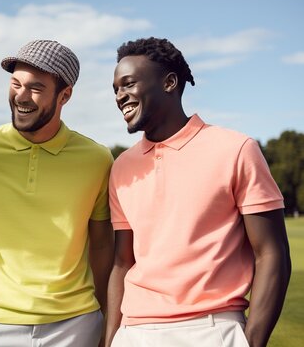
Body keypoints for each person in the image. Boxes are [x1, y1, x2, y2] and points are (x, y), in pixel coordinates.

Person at [106, 37, 292, 347]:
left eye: (128, 84)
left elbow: (272, 253)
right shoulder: (121, 167)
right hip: (134, 332)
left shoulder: (236, 149)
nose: (120, 96)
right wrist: (111, 339)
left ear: (169, 82)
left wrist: (252, 342)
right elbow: (122, 263)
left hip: (212, 329)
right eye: (115, 89)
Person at [0, 40, 114, 347]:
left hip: (76, 323)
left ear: (65, 95)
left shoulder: (97, 159)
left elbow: (101, 246)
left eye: (36, 88)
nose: (21, 96)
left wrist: (104, 316)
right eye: (15, 83)